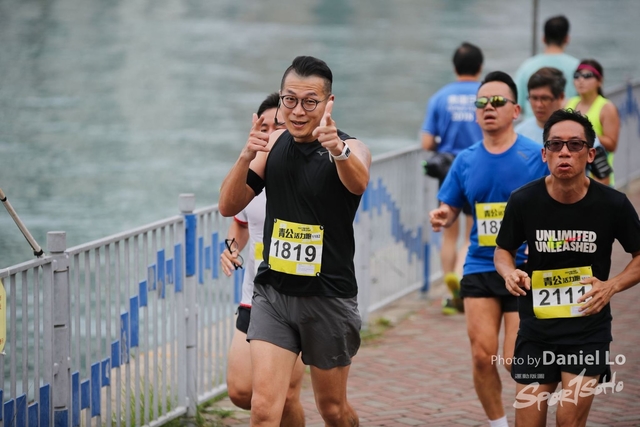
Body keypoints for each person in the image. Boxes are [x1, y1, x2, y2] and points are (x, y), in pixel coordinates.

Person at [218, 55, 371, 427]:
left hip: (328, 296)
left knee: (332, 409)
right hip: (273, 295)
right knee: (263, 408)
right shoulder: (272, 145)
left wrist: (338, 150)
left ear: (328, 102)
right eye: (290, 100)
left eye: (309, 102)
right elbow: (228, 205)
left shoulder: (351, 147)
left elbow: (358, 183)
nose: (297, 111)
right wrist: (245, 155)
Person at [494, 108, 640, 427]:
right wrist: (509, 272)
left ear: (590, 154)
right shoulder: (523, 201)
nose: (564, 152)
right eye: (556, 144)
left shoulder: (612, 204)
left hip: (587, 331)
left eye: (575, 145)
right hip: (536, 330)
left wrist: (611, 285)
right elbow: (503, 250)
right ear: (544, 153)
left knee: (568, 419)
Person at [429, 71, 548, 427]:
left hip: (523, 269)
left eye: (497, 101)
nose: (488, 107)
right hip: (481, 264)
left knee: (514, 360)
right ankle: (498, 424)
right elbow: (450, 205)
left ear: (516, 110)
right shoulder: (465, 160)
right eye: (481, 102)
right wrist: (443, 214)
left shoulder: (535, 156)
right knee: (483, 357)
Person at [219, 92, 306, 426]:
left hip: (297, 296)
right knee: (241, 391)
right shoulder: (250, 176)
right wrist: (231, 249)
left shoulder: (304, 171)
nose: (271, 134)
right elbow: (239, 224)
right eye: (264, 127)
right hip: (254, 296)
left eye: (278, 126)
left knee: (285, 396)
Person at [421, 42, 484, 314]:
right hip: (479, 168)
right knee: (472, 233)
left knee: (449, 233)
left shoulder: (440, 97)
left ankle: (449, 293)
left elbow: (426, 143)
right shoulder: (485, 96)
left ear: (455, 67)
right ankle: (460, 277)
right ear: (480, 67)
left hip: (448, 171)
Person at [565, 59, 620, 186]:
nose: (581, 80)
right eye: (577, 76)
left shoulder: (606, 108)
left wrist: (585, 134)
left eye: (587, 76)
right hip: (574, 176)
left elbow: (612, 145)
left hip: (599, 177)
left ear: (599, 81)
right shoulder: (570, 103)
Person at [514, 15, 580, 119]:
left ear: (543, 38)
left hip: (533, 124)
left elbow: (517, 103)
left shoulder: (527, 66)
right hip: (568, 124)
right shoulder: (578, 67)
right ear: (567, 39)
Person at [515, 67, 566, 143]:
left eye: (545, 98)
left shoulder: (575, 133)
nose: (539, 105)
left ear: (561, 97)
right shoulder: (519, 134)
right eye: (534, 98)